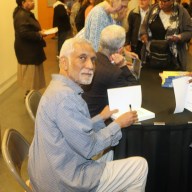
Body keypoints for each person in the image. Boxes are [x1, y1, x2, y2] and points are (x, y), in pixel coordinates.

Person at [28, 37, 148, 192]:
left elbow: (73, 131)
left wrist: (101, 117)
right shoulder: (66, 98)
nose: (91, 66)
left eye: (93, 60)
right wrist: (118, 124)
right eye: (82, 58)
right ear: (64, 62)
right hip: (63, 182)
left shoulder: (59, 89)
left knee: (114, 155)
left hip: (49, 171)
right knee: (139, 166)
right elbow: (90, 148)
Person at [83, 25, 138, 117]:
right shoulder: (114, 73)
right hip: (100, 120)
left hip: (84, 113)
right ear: (120, 49)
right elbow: (134, 93)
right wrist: (123, 66)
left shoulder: (89, 60)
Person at [140, 0, 192, 70]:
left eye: (164, 1)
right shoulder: (152, 9)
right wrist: (144, 34)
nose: (161, 3)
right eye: (159, 0)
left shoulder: (182, 12)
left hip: (173, 60)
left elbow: (189, 32)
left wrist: (179, 37)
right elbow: (144, 25)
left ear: (172, 1)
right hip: (153, 56)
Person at [13, 0, 46, 97]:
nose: (33, 2)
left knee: (33, 78)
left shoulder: (25, 14)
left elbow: (29, 29)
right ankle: (30, 98)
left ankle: (32, 95)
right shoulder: (21, 15)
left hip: (30, 49)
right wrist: (39, 35)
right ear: (23, 2)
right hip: (28, 51)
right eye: (31, 0)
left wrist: (40, 32)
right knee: (30, 78)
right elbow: (23, 33)